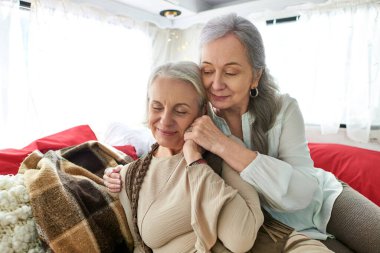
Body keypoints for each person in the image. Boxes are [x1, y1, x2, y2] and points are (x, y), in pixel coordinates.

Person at [105, 13, 380, 252]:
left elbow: (304, 191)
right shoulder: (199, 114)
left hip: (322, 202)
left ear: (255, 76)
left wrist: (223, 145)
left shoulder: (283, 109)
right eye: (208, 70)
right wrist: (122, 171)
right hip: (271, 226)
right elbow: (163, 139)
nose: (216, 84)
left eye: (232, 72)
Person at [111, 61, 332, 253]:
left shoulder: (222, 150)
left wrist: (195, 162)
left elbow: (240, 238)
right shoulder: (129, 177)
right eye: (157, 107)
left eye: (180, 111)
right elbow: (140, 247)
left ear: (201, 114)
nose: (165, 121)